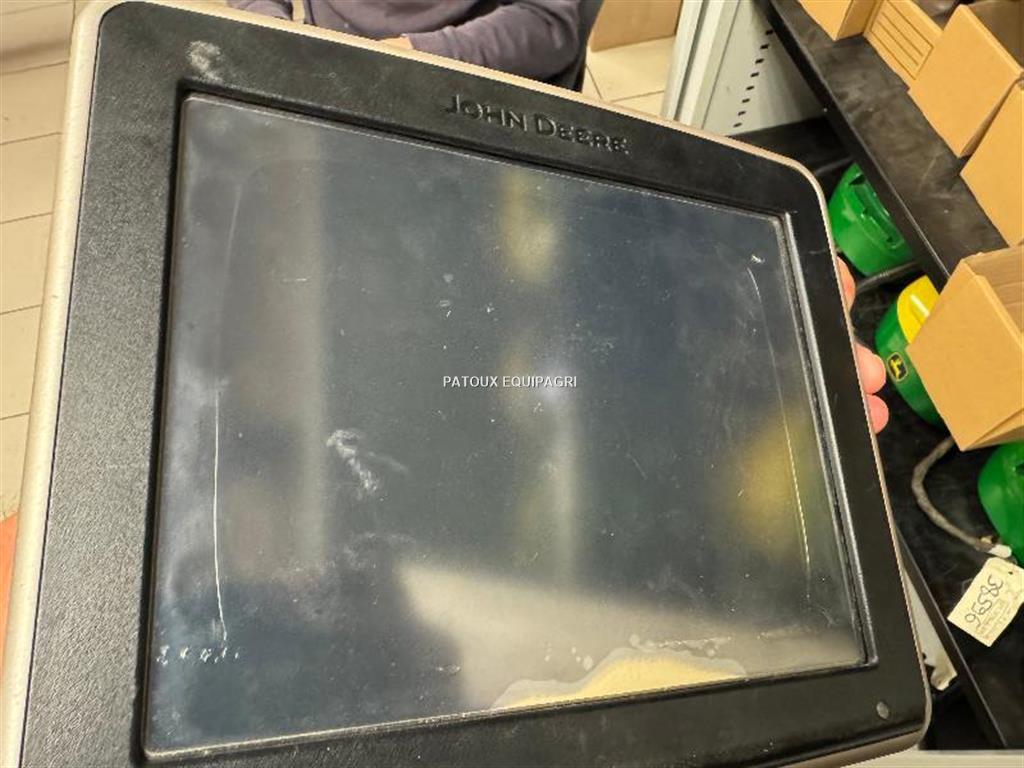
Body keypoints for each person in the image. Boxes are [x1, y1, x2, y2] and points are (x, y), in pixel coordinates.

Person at [229, 0, 582, 80]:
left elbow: (547, 25)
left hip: (453, 74)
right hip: (321, 63)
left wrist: (416, 54)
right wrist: (274, 31)